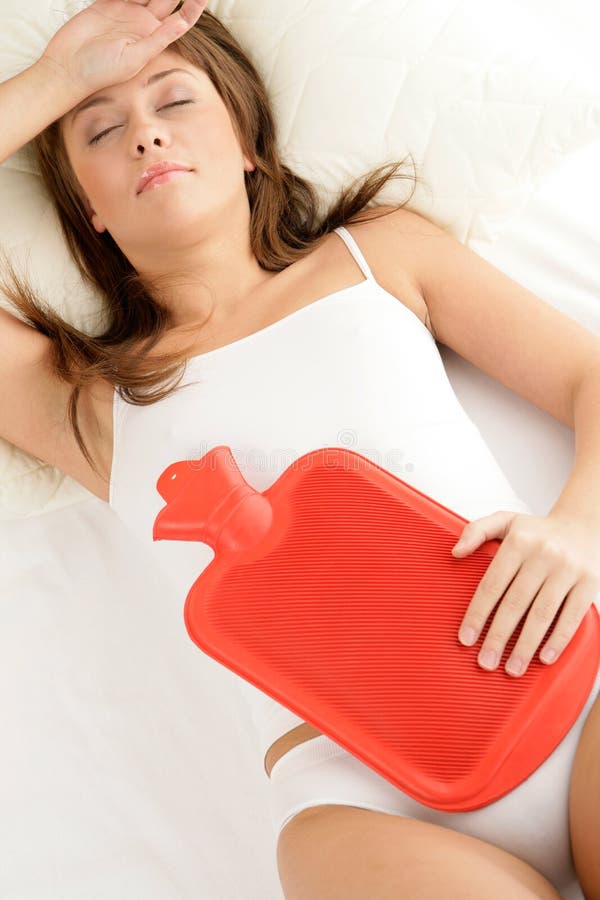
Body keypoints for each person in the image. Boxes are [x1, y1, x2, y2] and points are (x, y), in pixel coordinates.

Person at [1, 2, 599, 898]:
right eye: (102, 127)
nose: (146, 138)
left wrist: (579, 526)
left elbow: (589, 375)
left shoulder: (375, 256)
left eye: (175, 101)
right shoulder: (84, 405)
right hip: (357, 794)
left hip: (561, 667)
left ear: (246, 140)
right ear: (84, 204)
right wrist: (54, 80)